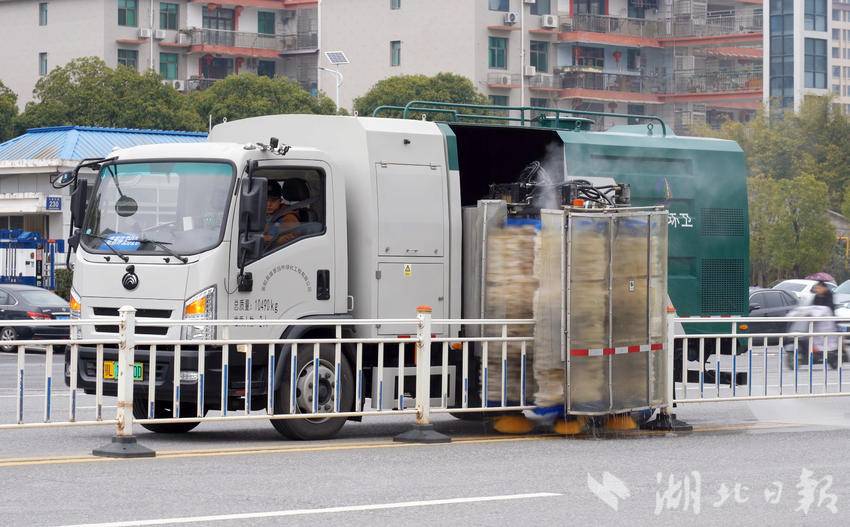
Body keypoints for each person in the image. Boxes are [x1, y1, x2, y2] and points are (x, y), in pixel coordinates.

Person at [263, 181, 299, 250]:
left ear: (280, 201)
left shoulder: (288, 217)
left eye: (273, 200)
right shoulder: (259, 214)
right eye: (265, 200)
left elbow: (291, 239)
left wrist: (269, 239)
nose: (268, 204)